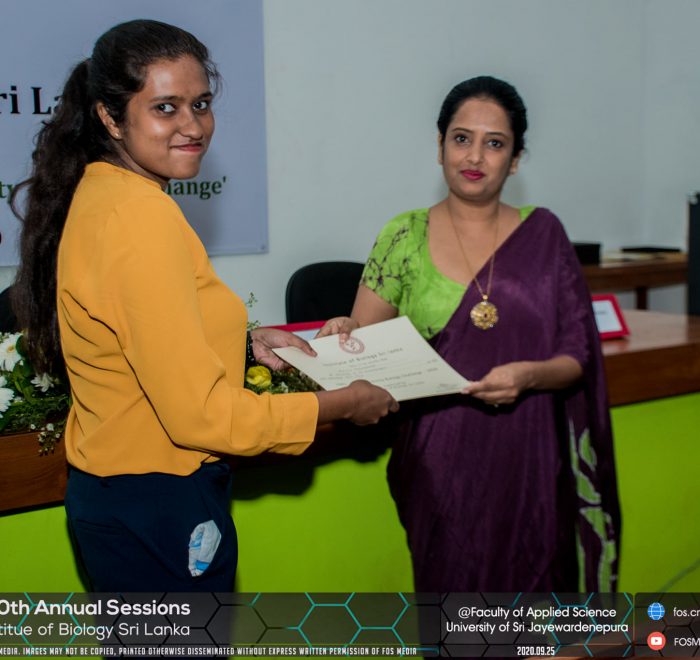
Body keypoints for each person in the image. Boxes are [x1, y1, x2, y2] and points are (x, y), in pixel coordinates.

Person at [10, 19, 398, 593]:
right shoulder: (141, 219)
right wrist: (343, 405)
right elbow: (203, 416)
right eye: (165, 108)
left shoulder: (104, 192)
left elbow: (133, 338)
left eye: (201, 104)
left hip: (119, 497)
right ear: (111, 117)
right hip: (159, 505)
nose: (192, 126)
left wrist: (244, 343)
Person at [319, 76, 620, 592]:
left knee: (534, 594)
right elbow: (364, 341)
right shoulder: (403, 235)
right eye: (461, 138)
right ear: (440, 146)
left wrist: (530, 375)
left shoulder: (544, 235)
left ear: (516, 159)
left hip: (530, 457)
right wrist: (346, 330)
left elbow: (578, 357)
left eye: (494, 143)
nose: (474, 156)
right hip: (438, 461)